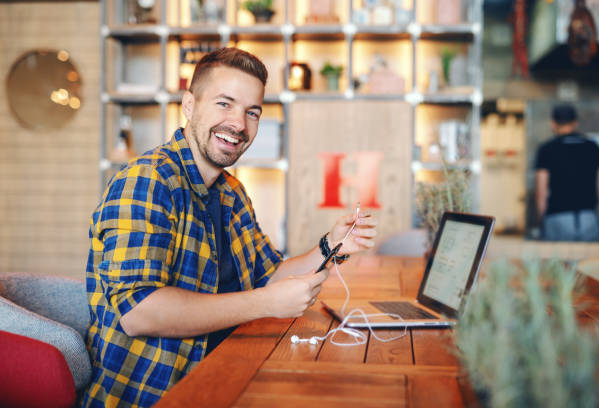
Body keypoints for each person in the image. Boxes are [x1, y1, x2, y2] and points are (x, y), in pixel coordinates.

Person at [82, 47, 377, 407]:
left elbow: (268, 276)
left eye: (252, 112)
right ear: (189, 105)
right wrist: (265, 303)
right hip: (154, 395)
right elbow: (139, 311)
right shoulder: (147, 181)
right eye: (225, 104)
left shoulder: (231, 192)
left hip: (228, 375)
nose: (239, 124)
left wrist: (330, 247)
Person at [534, 103, 599, 241]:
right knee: (589, 261)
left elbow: (541, 192)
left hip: (556, 218)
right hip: (589, 218)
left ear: (553, 123)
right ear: (575, 123)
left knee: (557, 262)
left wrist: (542, 222)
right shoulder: (594, 148)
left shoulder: (546, 149)